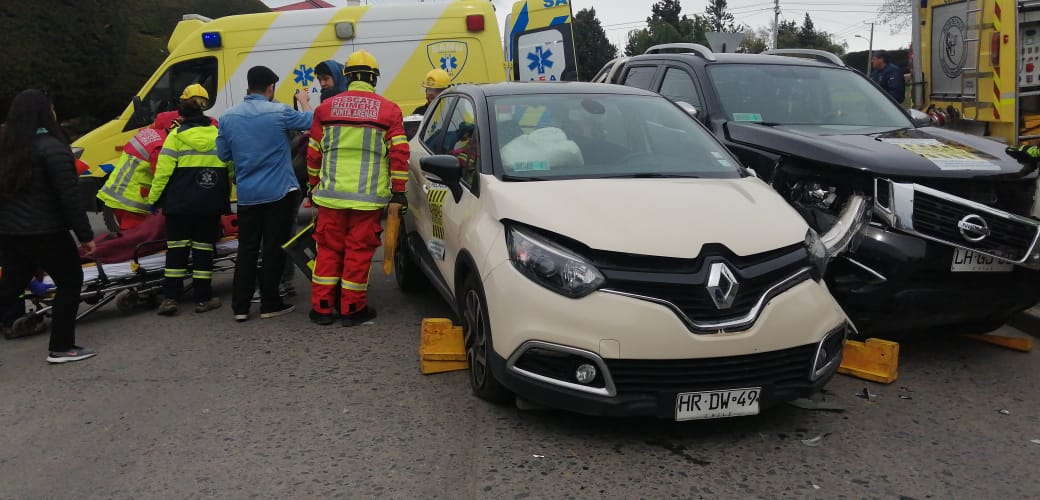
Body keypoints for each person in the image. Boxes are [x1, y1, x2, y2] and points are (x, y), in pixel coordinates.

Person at [306, 50, 409, 326]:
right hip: (368, 200)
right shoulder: (389, 110)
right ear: (374, 79)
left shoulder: (324, 110)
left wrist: (313, 186)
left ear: (347, 77)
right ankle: (351, 309)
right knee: (358, 253)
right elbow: (399, 154)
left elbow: (314, 153)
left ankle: (323, 308)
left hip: (330, 198)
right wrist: (399, 191)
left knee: (327, 251)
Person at [0, 89, 97, 363]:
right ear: (45, 113)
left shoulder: (7, 147)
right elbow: (69, 197)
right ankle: (62, 347)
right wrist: (86, 236)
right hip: (46, 232)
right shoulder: (52, 147)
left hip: (9, 233)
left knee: (9, 287)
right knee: (70, 281)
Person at [217, 66, 314, 322]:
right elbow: (312, 122)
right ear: (270, 88)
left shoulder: (227, 117)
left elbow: (223, 155)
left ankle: (240, 306)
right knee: (273, 248)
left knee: (248, 249)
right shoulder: (279, 112)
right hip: (279, 192)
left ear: (248, 87)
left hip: (248, 195)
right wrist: (304, 101)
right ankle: (271, 303)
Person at [148, 84, 233, 316]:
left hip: (179, 205)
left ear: (182, 114)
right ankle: (203, 299)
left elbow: (163, 173)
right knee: (204, 251)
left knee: (176, 250)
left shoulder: (175, 137)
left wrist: (153, 200)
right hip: (209, 205)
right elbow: (231, 168)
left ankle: (170, 299)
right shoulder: (218, 135)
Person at [96, 111, 180, 231]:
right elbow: (164, 177)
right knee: (135, 242)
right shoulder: (161, 147)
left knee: (129, 239)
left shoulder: (146, 134)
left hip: (117, 195)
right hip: (131, 202)